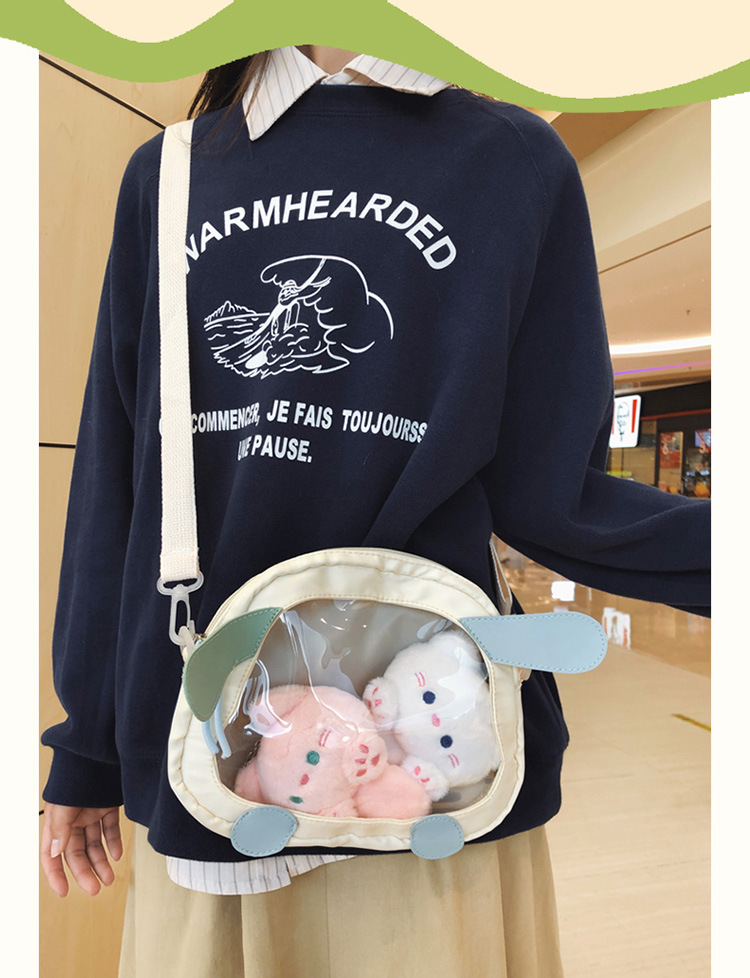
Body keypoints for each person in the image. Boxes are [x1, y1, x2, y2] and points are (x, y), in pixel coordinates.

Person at [40, 45, 710, 977]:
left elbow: (555, 495)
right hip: (212, 756)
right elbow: (122, 477)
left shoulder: (513, 161)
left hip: (428, 768)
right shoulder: (172, 168)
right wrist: (88, 745)